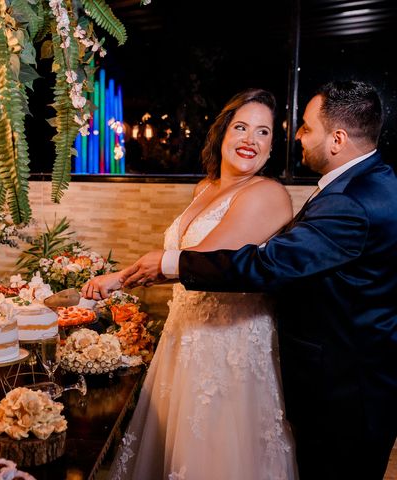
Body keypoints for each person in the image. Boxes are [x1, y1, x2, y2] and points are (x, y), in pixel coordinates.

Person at [106, 80, 397, 480]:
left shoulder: (350, 198)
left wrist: (164, 265)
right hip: (320, 372)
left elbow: (267, 266)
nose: (296, 135)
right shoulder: (361, 183)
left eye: (306, 127)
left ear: (338, 139)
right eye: (242, 127)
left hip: (341, 387)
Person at [84, 88, 298, 479]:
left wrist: (118, 279)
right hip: (184, 335)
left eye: (263, 132)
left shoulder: (268, 194)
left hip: (228, 348)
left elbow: (198, 262)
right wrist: (120, 279)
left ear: (271, 147)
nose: (251, 139)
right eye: (242, 127)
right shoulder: (206, 188)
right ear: (222, 134)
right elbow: (181, 262)